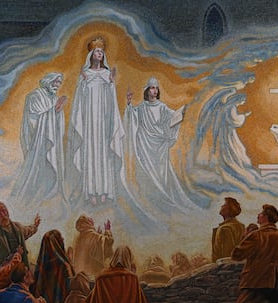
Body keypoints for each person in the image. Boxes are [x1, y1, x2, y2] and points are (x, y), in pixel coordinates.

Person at [67, 36, 125, 205]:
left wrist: (112, 84)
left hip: (104, 121)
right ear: (91, 54)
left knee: (104, 154)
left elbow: (111, 99)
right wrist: (83, 83)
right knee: (91, 153)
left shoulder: (107, 74)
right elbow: (79, 100)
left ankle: (105, 190)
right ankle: (91, 191)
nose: (100, 54)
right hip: (90, 122)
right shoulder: (85, 75)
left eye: (102, 51)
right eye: (97, 51)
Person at [123, 77, 190, 208]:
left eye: (156, 88)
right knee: (146, 170)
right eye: (152, 88)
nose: (155, 90)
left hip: (159, 145)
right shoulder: (142, 107)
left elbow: (173, 117)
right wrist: (129, 104)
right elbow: (132, 117)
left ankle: (162, 197)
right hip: (144, 144)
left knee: (161, 172)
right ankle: (149, 199)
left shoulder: (162, 107)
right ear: (147, 90)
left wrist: (180, 114)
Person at [17, 72, 67, 200]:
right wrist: (53, 111)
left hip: (51, 142)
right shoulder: (35, 95)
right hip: (38, 142)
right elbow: (34, 120)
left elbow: (57, 123)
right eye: (55, 81)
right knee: (38, 170)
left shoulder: (54, 98)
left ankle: (49, 193)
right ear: (48, 81)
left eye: (59, 82)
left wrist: (57, 112)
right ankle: (35, 195)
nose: (57, 85)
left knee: (51, 168)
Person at [32, 229, 75, 303]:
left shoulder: (43, 261)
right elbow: (69, 283)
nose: (63, 239)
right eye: (60, 237)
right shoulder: (62, 263)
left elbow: (38, 282)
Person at [0, 201, 41, 267]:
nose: (3, 215)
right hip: (6, 272)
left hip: (23, 267)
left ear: (8, 212)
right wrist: (14, 256)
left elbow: (28, 231)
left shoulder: (17, 227)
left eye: (4, 211)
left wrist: (35, 225)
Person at [71, 215, 114, 280]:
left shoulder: (80, 238)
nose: (92, 221)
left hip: (80, 275)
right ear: (87, 223)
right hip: (93, 275)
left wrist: (98, 235)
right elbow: (108, 241)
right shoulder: (94, 235)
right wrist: (107, 230)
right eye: (90, 220)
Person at [211, 197, 246, 262]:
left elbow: (226, 256)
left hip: (224, 268)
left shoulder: (225, 229)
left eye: (224, 205)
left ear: (229, 210)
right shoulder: (241, 226)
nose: (221, 206)